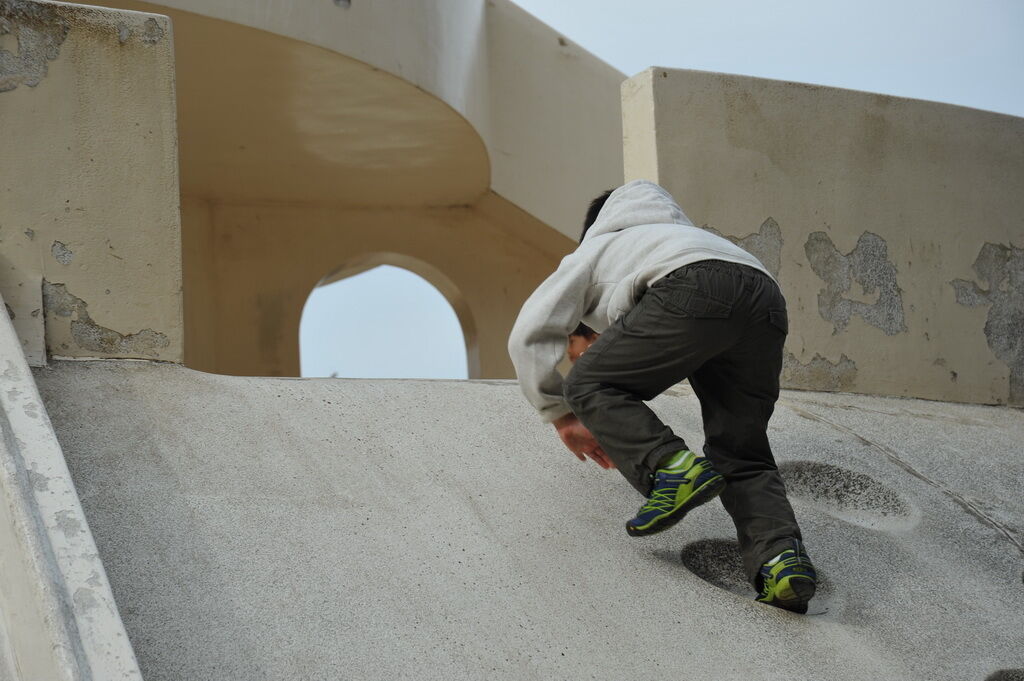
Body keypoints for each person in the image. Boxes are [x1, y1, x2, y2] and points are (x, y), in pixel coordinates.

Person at [508, 180, 817, 613]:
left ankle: (671, 468)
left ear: (595, 227)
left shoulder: (595, 250)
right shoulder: (684, 239)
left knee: (586, 384)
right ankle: (781, 560)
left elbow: (528, 334)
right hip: (765, 298)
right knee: (742, 450)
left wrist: (561, 413)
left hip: (688, 286)